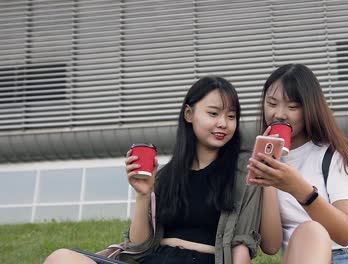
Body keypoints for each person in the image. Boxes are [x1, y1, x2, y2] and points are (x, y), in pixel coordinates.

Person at [44, 76, 262, 264]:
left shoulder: (244, 171)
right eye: (214, 114)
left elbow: (242, 244)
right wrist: (143, 194)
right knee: (61, 258)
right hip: (154, 259)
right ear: (189, 114)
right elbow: (138, 247)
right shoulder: (167, 176)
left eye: (231, 116)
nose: (223, 123)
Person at [247, 64, 348, 264]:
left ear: (309, 109)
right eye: (272, 103)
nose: (279, 114)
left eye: (292, 107)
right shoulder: (259, 160)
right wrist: (267, 176)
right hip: (302, 258)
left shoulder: (333, 154)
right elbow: (271, 245)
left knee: (311, 229)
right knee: (307, 233)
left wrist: (299, 189)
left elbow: (345, 234)